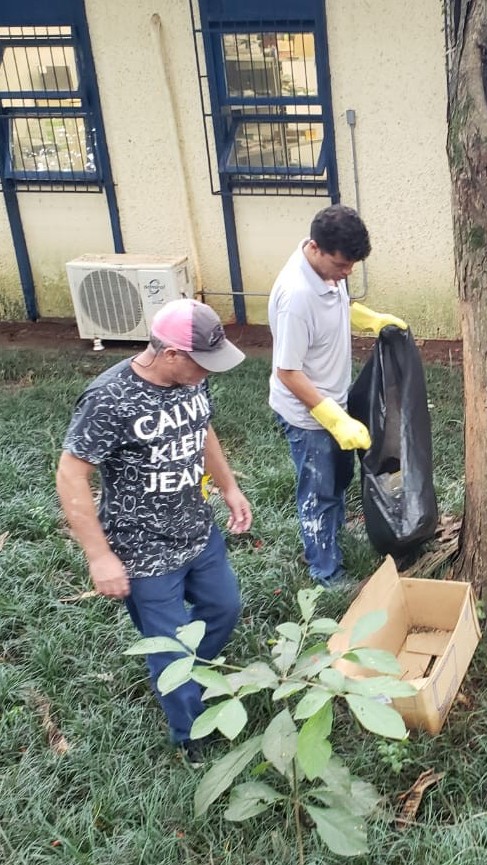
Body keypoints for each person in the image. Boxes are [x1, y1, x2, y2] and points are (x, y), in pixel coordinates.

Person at [56, 298, 252, 766]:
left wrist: (229, 487)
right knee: (172, 648)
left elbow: (202, 430)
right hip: (142, 551)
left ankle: (186, 674)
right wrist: (99, 557)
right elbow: (70, 473)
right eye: (201, 363)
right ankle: (191, 737)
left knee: (225, 607)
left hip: (197, 531)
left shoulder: (190, 382)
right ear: (169, 354)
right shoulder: (109, 399)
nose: (208, 373)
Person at [268, 204, 407, 587]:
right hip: (307, 414)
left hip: (334, 398)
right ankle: (324, 569)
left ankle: (333, 536)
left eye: (351, 266)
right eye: (342, 265)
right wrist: (332, 418)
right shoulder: (296, 297)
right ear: (315, 248)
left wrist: (370, 320)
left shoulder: (327, 273)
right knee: (319, 491)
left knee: (339, 478)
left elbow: (338, 306)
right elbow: (287, 371)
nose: (346, 274)